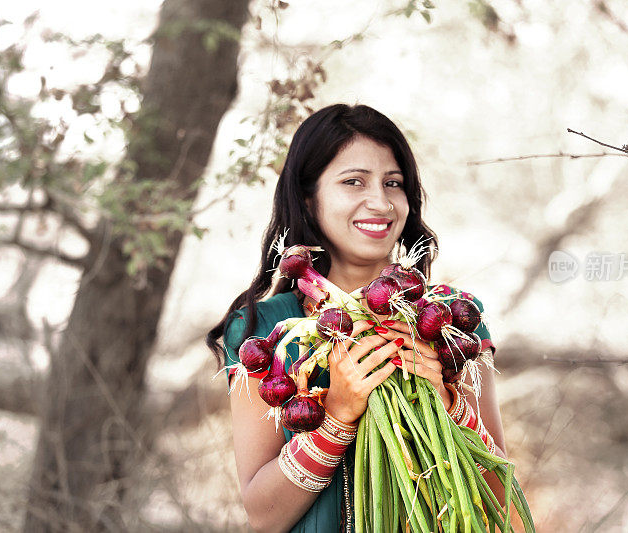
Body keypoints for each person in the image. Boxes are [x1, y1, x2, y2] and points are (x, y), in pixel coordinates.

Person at [206, 104, 507, 533]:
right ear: (308, 200)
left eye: (393, 183)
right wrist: (337, 415)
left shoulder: (450, 319)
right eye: (353, 182)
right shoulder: (263, 331)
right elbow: (263, 517)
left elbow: (497, 495)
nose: (381, 202)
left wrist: (448, 404)